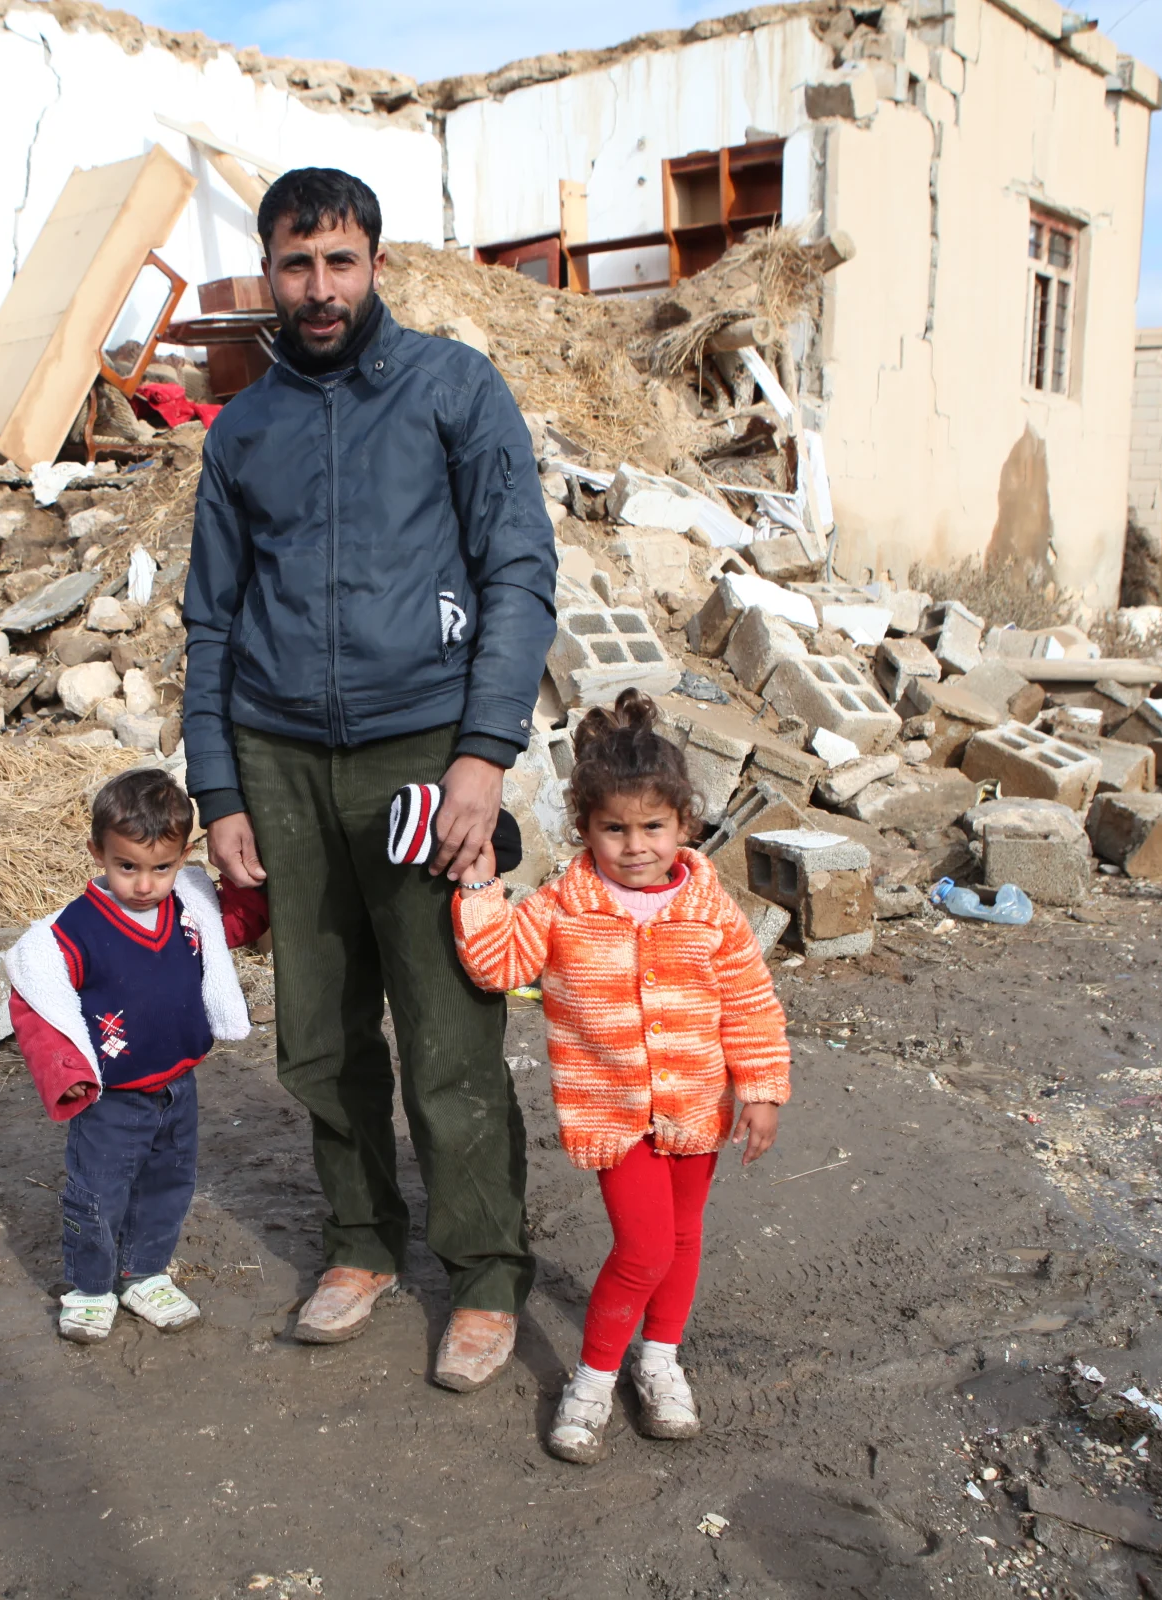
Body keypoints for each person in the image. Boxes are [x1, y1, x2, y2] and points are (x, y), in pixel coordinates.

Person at [182, 167, 558, 1391]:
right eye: (297, 266)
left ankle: (486, 1273)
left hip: (420, 754)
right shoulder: (242, 430)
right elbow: (209, 622)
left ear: (375, 263)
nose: (320, 287)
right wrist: (220, 787)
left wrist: (481, 758)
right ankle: (358, 1242)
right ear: (268, 275)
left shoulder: (453, 389)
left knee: (448, 1027)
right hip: (282, 762)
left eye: (340, 261)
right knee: (322, 1033)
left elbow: (518, 572)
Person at [451, 690, 791, 1461]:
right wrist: (478, 888)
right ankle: (596, 1378)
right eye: (614, 828)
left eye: (653, 827)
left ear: (684, 826)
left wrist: (763, 1089)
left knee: (682, 1236)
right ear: (586, 829)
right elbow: (498, 962)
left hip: (698, 1106)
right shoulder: (562, 906)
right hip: (614, 1115)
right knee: (644, 1248)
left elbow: (749, 1000)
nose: (634, 846)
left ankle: (660, 1360)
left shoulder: (712, 911)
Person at [5, 768, 269, 1345]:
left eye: (162, 867)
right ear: (98, 851)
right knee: (97, 1193)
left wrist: (257, 880)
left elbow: (237, 925)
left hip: (178, 1086)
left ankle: (144, 1273)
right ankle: (90, 1287)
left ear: (183, 857)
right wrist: (67, 1076)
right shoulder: (73, 934)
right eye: (128, 866)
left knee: (168, 1184)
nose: (145, 884)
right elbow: (39, 1004)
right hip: (112, 1098)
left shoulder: (189, 909)